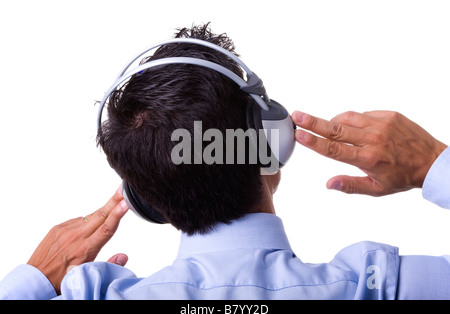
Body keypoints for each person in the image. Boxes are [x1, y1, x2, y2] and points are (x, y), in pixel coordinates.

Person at [1, 24, 450, 300]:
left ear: (144, 198)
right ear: (271, 142)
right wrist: (434, 164)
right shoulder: (384, 287)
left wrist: (31, 282)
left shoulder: (90, 296)